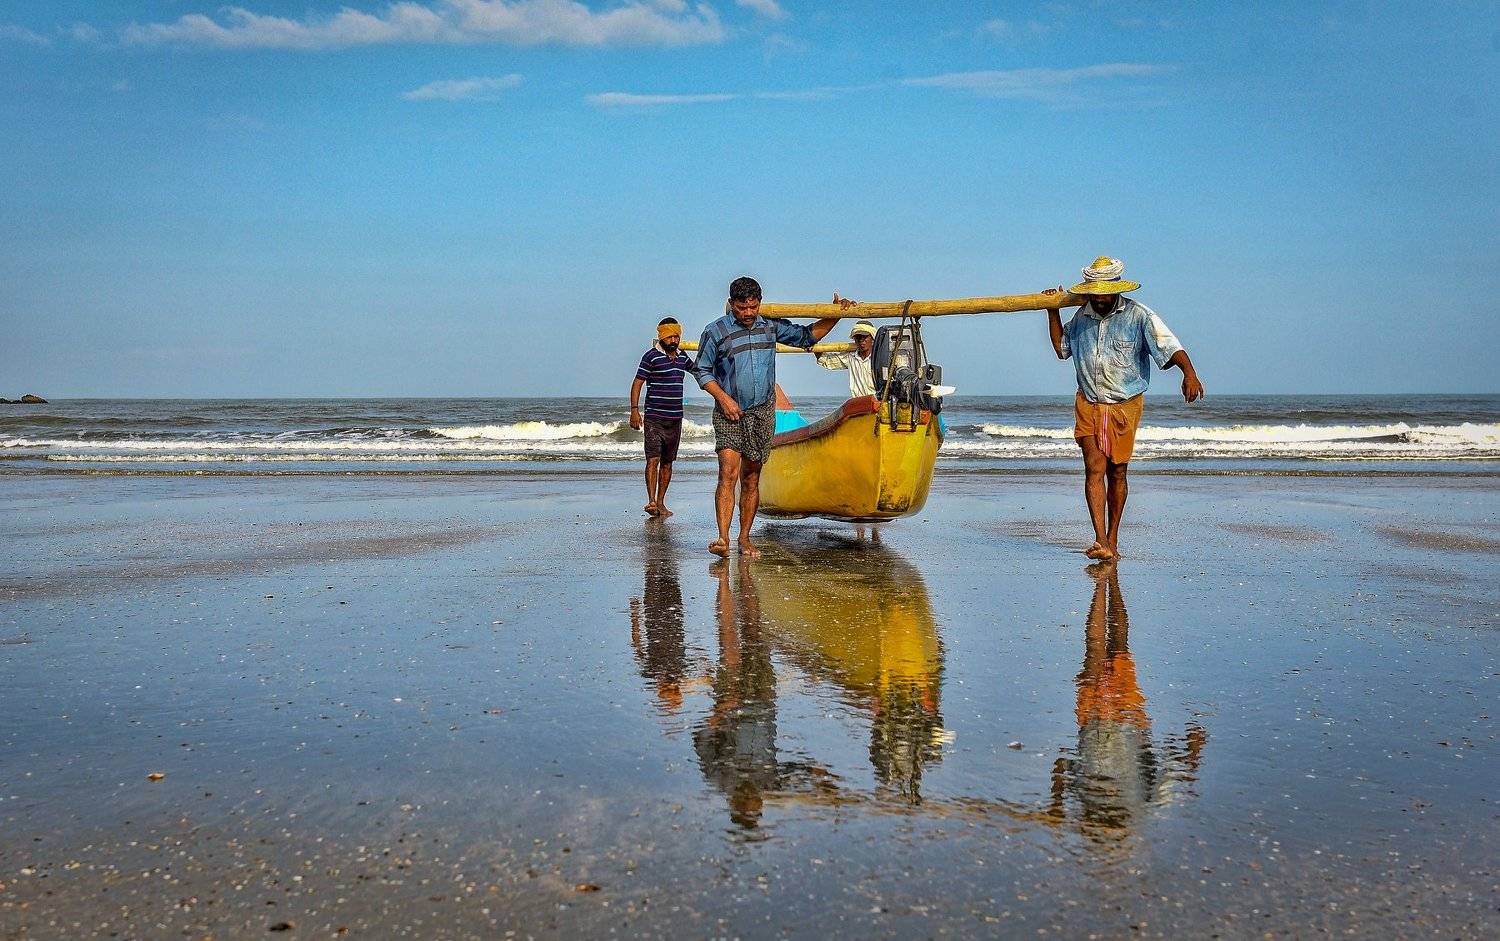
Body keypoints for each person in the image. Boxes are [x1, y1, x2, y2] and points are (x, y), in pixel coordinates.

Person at [1045, 256, 1204, 562]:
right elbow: (1061, 349)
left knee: (1117, 472)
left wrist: (1189, 373)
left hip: (1124, 405)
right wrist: (1052, 309)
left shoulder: (1139, 315)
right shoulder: (1081, 317)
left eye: (1105, 293)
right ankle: (1100, 540)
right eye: (1095, 293)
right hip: (1089, 402)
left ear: (1117, 289)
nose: (1100, 298)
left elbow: (1169, 346)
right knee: (1094, 469)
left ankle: (1113, 539)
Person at [693, 277, 846, 557]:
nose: (748, 313)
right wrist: (724, 399)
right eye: (742, 308)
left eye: (753, 307)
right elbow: (701, 370)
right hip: (729, 413)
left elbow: (807, 336)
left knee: (751, 477)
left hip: (762, 412)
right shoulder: (716, 331)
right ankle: (723, 538)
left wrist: (835, 314)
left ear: (759, 303)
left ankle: (744, 539)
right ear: (731, 304)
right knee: (728, 473)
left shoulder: (769, 326)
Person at [629, 317, 694, 517]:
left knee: (668, 462)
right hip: (654, 418)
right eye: (669, 337)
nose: (673, 340)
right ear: (661, 337)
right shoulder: (651, 357)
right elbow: (638, 383)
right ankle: (651, 501)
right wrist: (634, 410)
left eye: (676, 336)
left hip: (675, 419)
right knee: (653, 459)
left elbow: (700, 371)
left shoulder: (682, 357)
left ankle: (661, 502)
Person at [815, 317, 877, 398]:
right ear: (854, 339)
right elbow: (827, 360)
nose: (861, 340)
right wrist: (814, 344)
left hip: (878, 400)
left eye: (864, 337)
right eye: (858, 337)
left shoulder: (879, 357)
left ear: (872, 338)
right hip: (859, 402)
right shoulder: (850, 356)